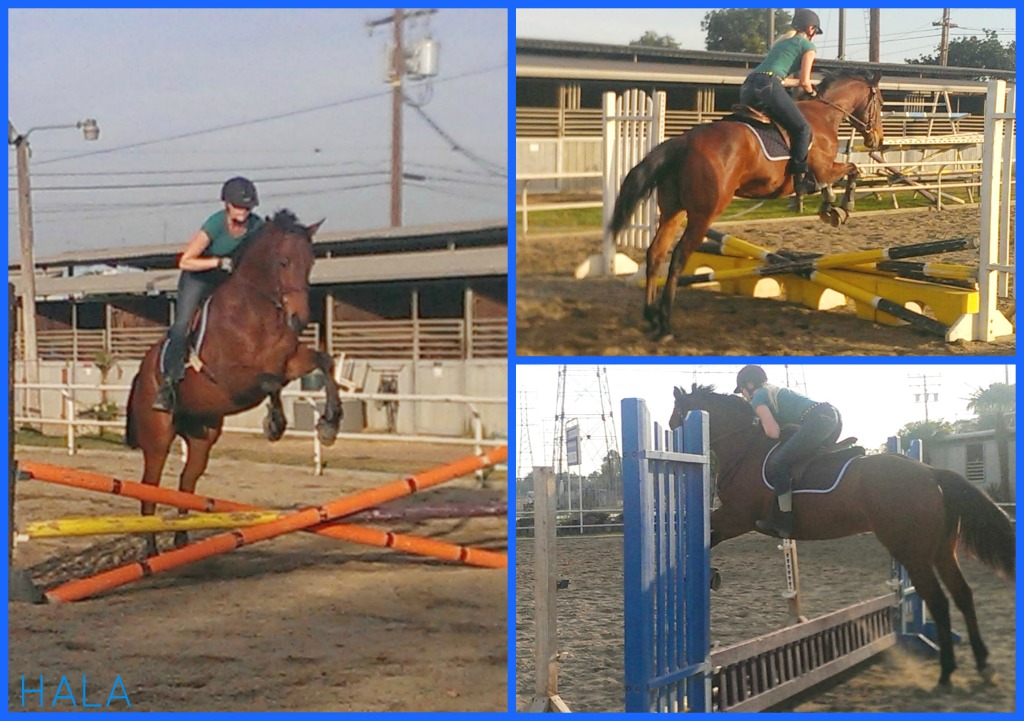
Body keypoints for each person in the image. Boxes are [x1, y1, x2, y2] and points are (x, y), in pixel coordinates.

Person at [152, 176, 264, 412]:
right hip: (198, 277)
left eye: (247, 207)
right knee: (182, 325)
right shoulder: (215, 224)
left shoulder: (256, 226)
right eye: (238, 206)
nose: (243, 211)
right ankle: (168, 386)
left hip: (227, 280)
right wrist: (217, 262)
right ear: (227, 204)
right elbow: (185, 261)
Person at [734, 364, 841, 538]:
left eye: (742, 391)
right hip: (830, 416)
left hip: (818, 420)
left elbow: (772, 432)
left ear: (750, 385)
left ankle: (784, 519)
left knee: (778, 463)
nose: (743, 396)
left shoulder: (758, 397)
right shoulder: (773, 392)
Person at [738, 8, 823, 196]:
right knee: (802, 128)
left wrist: (805, 84)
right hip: (768, 85)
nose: (815, 35)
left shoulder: (781, 43)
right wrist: (814, 93)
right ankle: (800, 180)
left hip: (749, 84)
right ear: (811, 29)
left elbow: (781, 78)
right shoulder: (808, 47)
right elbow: (804, 81)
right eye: (816, 31)